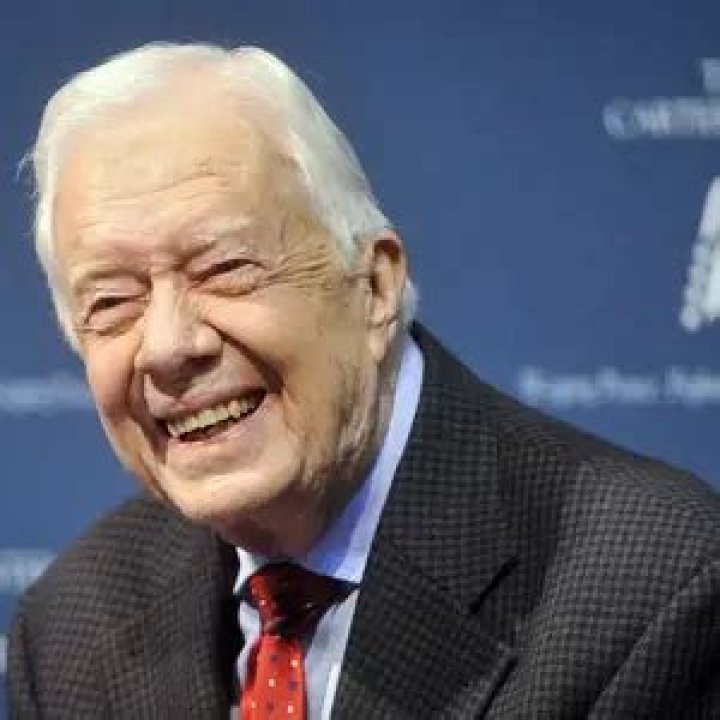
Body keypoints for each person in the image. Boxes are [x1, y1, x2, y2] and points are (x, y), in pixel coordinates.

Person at [6, 42, 720, 719]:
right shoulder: (71, 626)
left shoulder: (650, 584)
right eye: (112, 303)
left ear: (374, 286)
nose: (167, 347)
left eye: (225, 269)